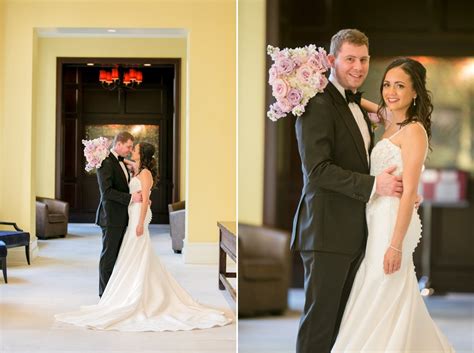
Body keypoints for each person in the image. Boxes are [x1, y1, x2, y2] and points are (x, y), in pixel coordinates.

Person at [331, 58, 455, 352]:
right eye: (387, 84)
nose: (391, 91)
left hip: (393, 222)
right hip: (376, 217)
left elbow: (411, 188)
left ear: (415, 93)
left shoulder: (414, 131)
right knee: (377, 289)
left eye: (400, 86)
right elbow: (366, 104)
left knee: (383, 286)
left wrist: (396, 244)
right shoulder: (389, 120)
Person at [291, 29, 403, 353]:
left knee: (342, 325)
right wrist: (373, 184)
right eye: (350, 58)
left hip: (355, 233)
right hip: (326, 232)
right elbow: (317, 171)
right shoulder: (316, 102)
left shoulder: (350, 102)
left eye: (364, 59)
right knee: (320, 324)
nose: (358, 66)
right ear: (331, 60)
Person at [55, 142, 231, 331]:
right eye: (131, 147)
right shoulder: (136, 168)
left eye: (136, 149)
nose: (132, 151)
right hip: (131, 213)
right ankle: (123, 292)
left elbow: (146, 200)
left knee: (136, 249)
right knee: (129, 252)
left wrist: (140, 223)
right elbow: (123, 168)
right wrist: (102, 154)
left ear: (143, 154)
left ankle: (140, 294)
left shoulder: (145, 173)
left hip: (138, 215)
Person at [95, 131, 142, 297]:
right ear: (119, 144)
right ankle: (104, 295)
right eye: (128, 146)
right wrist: (131, 198)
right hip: (111, 217)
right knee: (108, 257)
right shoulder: (104, 162)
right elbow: (106, 192)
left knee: (118, 256)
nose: (130, 149)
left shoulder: (119, 161)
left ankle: (114, 292)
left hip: (122, 217)